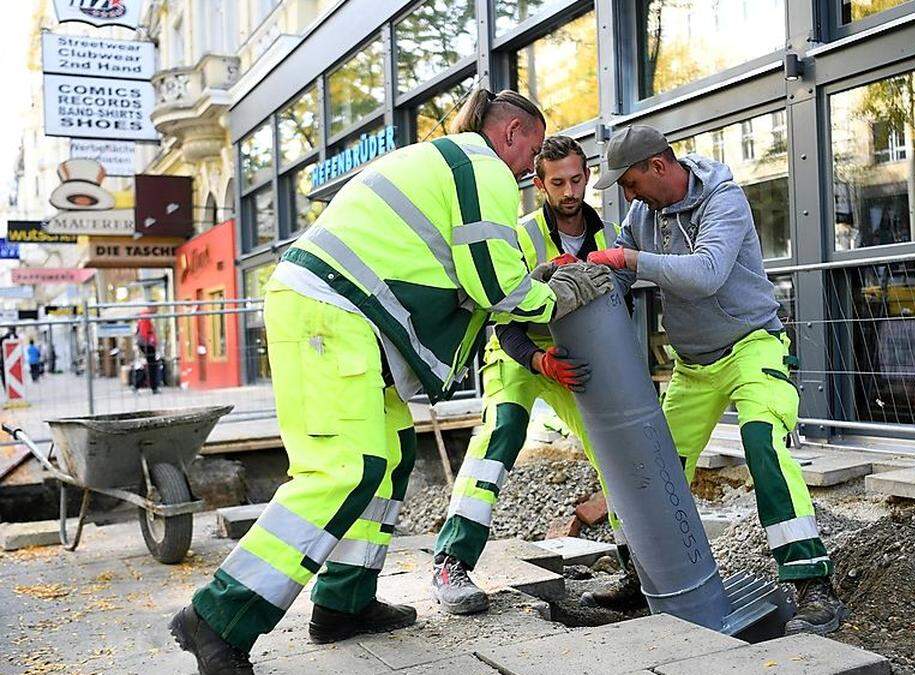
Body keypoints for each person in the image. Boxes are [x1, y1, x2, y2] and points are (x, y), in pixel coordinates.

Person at [169, 89, 612, 675]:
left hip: (347, 321)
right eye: (531, 153)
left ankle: (343, 603)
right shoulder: (482, 166)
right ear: (512, 134)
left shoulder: (449, 164)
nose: (530, 172)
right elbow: (493, 282)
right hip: (331, 315)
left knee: (392, 452)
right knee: (343, 470)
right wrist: (551, 296)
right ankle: (219, 617)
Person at [585, 125, 848, 634]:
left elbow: (706, 273)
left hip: (753, 346)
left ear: (658, 167)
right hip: (693, 365)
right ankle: (635, 576)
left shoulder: (724, 201)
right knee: (648, 464)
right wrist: (584, 276)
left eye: (630, 182)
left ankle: (813, 584)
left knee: (763, 445)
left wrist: (632, 260)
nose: (627, 195)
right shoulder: (644, 213)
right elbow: (617, 271)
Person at [430, 136, 624, 614]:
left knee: (614, 451)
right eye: (557, 182)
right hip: (518, 355)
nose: (570, 190)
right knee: (500, 437)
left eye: (577, 179)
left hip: (575, 359)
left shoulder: (610, 237)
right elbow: (502, 317)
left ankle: (636, 566)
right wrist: (540, 362)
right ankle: (451, 561)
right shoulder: (519, 235)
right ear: (540, 184)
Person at [135, 309, 159, 393]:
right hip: (147, 344)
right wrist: (149, 342)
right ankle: (153, 387)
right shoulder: (146, 318)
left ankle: (138, 384)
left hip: (145, 344)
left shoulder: (142, 318)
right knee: (152, 365)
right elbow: (145, 332)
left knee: (148, 365)